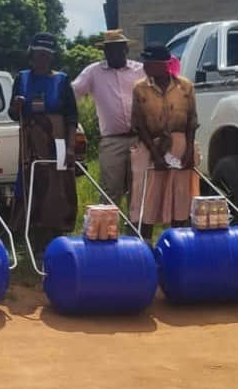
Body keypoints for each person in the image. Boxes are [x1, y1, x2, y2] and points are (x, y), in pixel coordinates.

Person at [9, 33, 78, 253]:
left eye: (46, 55)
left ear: (51, 57)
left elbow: (71, 117)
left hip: (56, 141)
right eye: (39, 54)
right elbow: (12, 115)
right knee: (32, 185)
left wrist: (70, 147)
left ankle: (57, 239)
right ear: (32, 54)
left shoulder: (62, 80)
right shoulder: (22, 78)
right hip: (31, 142)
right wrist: (17, 107)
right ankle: (34, 241)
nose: (42, 59)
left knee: (57, 187)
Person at [130, 44, 199, 242]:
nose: (145, 66)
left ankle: (178, 244)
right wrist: (156, 154)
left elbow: (192, 121)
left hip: (181, 145)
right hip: (151, 144)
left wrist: (188, 152)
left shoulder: (185, 86)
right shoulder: (140, 88)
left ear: (163, 65)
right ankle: (145, 247)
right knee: (146, 199)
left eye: (149, 63)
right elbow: (139, 124)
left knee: (180, 198)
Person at [72, 29, 144, 206]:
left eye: (118, 48)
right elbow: (71, 93)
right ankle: (107, 232)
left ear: (126, 49)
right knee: (110, 191)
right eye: (109, 49)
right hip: (112, 141)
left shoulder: (140, 70)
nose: (113, 53)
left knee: (138, 191)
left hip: (140, 139)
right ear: (104, 52)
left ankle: (138, 233)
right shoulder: (93, 72)